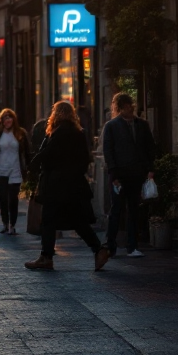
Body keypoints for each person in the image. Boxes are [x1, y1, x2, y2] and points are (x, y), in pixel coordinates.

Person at [25, 101, 110, 272]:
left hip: (56, 185)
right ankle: (98, 249)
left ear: (55, 114)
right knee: (78, 221)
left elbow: (48, 155)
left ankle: (46, 257)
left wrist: (35, 166)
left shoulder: (57, 133)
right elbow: (85, 159)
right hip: (73, 185)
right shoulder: (77, 133)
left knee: (48, 220)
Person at [101, 93, 156, 258]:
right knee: (116, 210)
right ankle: (111, 245)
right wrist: (113, 174)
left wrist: (150, 169)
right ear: (119, 108)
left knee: (134, 211)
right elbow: (108, 151)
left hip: (136, 174)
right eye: (126, 106)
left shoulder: (142, 125)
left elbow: (150, 148)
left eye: (131, 104)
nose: (130, 108)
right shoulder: (111, 126)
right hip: (119, 175)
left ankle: (133, 246)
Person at [0, 108, 31, 234]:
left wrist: (29, 169)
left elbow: (27, 153)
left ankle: (12, 225)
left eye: (10, 117)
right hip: (1, 170)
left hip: (15, 169)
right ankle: (5, 224)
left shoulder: (20, 133)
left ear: (14, 119)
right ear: (1, 120)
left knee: (13, 199)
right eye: (5, 118)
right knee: (3, 199)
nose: (8, 120)